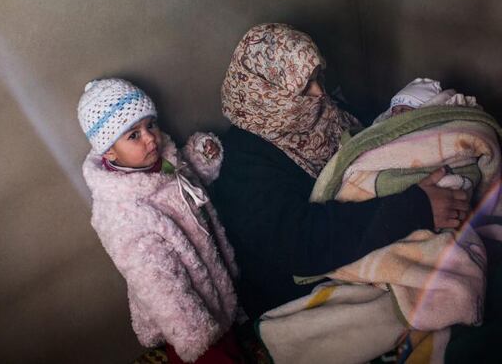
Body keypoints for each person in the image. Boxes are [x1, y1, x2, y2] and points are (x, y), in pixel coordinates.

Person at [210, 23, 470, 320]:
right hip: (305, 281)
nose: (320, 92)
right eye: (304, 86)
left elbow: (371, 141)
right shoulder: (245, 162)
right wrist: (417, 207)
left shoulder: (328, 112)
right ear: (267, 94)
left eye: (317, 76)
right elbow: (302, 245)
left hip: (364, 232)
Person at [77, 78, 242, 364]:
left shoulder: (157, 162)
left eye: (150, 124)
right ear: (109, 151)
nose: (150, 138)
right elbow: (160, 287)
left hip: (215, 287)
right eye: (134, 135)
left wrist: (201, 155)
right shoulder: (122, 214)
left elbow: (184, 181)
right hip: (186, 319)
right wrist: (196, 336)